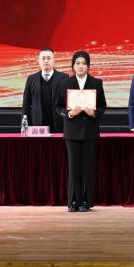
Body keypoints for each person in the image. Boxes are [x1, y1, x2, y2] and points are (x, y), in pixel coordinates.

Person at [55, 51, 106, 212]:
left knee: (88, 167)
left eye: (84, 63)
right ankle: (73, 201)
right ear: (73, 66)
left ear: (88, 66)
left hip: (90, 130)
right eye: (77, 63)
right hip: (72, 131)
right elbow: (58, 107)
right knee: (74, 166)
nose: (81, 66)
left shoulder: (96, 83)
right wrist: (70, 113)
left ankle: (86, 201)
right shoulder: (65, 83)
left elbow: (102, 106)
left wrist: (94, 113)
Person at [20, 48, 69, 134]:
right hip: (37, 124)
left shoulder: (64, 78)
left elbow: (67, 102)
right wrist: (24, 124)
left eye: (49, 58)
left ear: (54, 60)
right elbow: (26, 104)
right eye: (43, 58)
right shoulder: (32, 79)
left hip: (58, 123)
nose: (46, 61)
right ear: (38, 61)